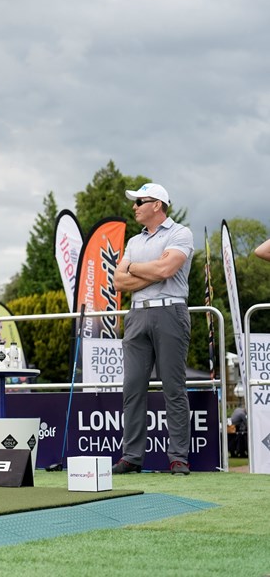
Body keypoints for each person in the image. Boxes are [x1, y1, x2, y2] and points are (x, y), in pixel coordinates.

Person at [112, 183, 194, 476]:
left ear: (157, 204)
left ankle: (178, 458)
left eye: (139, 201)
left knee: (173, 387)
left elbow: (165, 271)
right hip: (136, 316)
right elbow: (118, 283)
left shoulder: (180, 233)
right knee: (132, 388)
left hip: (170, 311)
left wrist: (134, 268)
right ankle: (132, 457)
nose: (134, 207)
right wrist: (149, 269)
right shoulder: (134, 241)